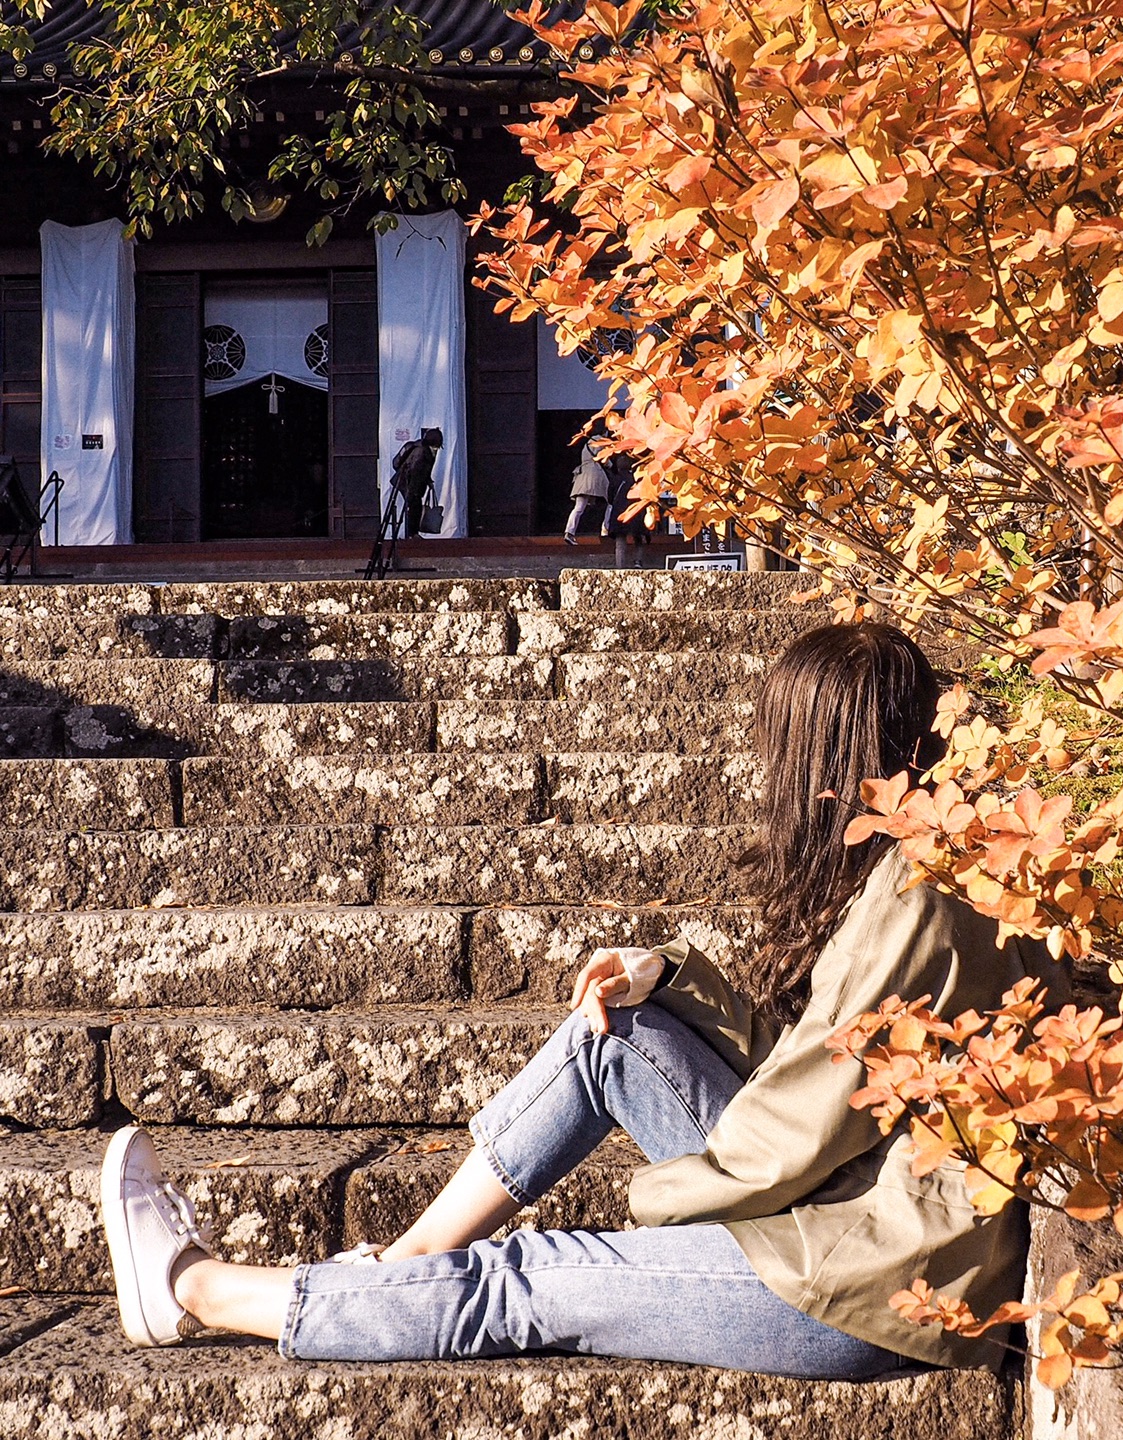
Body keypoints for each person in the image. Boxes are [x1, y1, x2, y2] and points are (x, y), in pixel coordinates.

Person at [95, 623, 1061, 1377]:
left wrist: (659, 1202)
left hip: (868, 1278)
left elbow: (795, 1132)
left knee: (533, 1277)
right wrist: (676, 982)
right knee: (619, 1032)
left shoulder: (919, 901)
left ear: (822, 755)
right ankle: (404, 1261)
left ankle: (197, 1291)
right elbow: (826, 1058)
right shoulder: (929, 860)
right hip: (853, 1206)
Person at [391, 426, 444, 538]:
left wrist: (427, 480)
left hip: (405, 482)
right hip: (408, 483)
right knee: (414, 508)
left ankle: (412, 534)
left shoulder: (420, 448)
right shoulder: (422, 453)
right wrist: (413, 491)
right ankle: (412, 534)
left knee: (414, 507)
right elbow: (415, 471)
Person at [563, 438, 611, 545]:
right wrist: (611, 465)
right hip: (595, 475)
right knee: (610, 501)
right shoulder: (600, 441)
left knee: (579, 507)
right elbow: (603, 457)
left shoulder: (586, 445)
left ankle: (569, 532)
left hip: (582, 475)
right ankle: (605, 529)